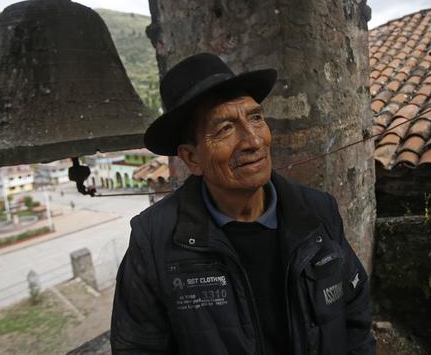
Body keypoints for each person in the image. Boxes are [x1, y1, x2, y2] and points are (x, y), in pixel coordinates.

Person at [110, 53, 374, 354]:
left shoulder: (318, 212)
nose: (253, 141)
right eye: (225, 129)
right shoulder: (155, 241)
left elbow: (355, 314)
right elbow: (136, 348)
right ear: (192, 158)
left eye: (256, 118)